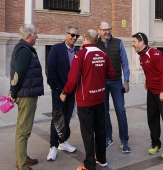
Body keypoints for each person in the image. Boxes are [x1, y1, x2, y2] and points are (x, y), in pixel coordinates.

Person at [60, 29, 115, 170]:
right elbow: (111, 73)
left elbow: (73, 78)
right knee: (100, 129)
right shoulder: (103, 54)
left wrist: (65, 91)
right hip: (100, 98)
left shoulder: (81, 55)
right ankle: (102, 159)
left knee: (88, 132)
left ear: (85, 38)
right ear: (96, 40)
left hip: (85, 100)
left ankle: (90, 164)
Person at [9, 24, 44, 170]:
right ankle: (22, 164)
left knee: (22, 129)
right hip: (26, 96)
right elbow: (19, 74)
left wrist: (13, 91)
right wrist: (13, 92)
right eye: (35, 34)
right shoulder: (24, 50)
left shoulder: (24, 48)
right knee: (24, 130)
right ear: (28, 36)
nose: (37, 36)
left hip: (25, 94)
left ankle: (22, 157)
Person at [96, 21, 131, 153]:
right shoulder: (95, 44)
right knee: (103, 112)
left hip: (116, 82)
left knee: (121, 111)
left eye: (109, 29)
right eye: (104, 30)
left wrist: (126, 80)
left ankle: (124, 141)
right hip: (101, 83)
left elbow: (125, 62)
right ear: (99, 31)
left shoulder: (118, 42)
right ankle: (108, 138)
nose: (107, 32)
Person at [46, 24, 80, 161]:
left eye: (77, 36)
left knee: (67, 117)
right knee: (57, 118)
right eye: (72, 35)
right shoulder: (56, 49)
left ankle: (62, 142)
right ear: (66, 34)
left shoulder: (77, 51)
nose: (74, 38)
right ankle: (53, 146)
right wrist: (59, 90)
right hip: (59, 91)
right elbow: (50, 71)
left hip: (71, 91)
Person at [132, 32, 163, 157]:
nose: (133, 44)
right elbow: (149, 72)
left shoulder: (156, 54)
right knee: (152, 118)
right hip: (151, 90)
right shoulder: (142, 56)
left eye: (134, 42)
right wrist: (146, 82)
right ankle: (155, 144)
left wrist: (162, 91)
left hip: (160, 92)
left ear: (141, 42)